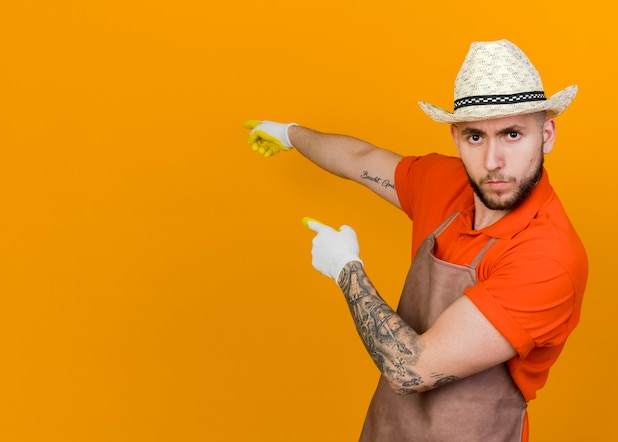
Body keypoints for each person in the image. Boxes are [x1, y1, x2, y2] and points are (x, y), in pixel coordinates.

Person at [244, 40, 587, 442]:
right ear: (456, 137)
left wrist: (346, 269)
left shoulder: (549, 258)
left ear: (546, 135)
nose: (493, 160)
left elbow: (413, 368)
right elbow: (360, 159)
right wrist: (290, 134)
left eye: (512, 134)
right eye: (476, 137)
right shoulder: (443, 182)